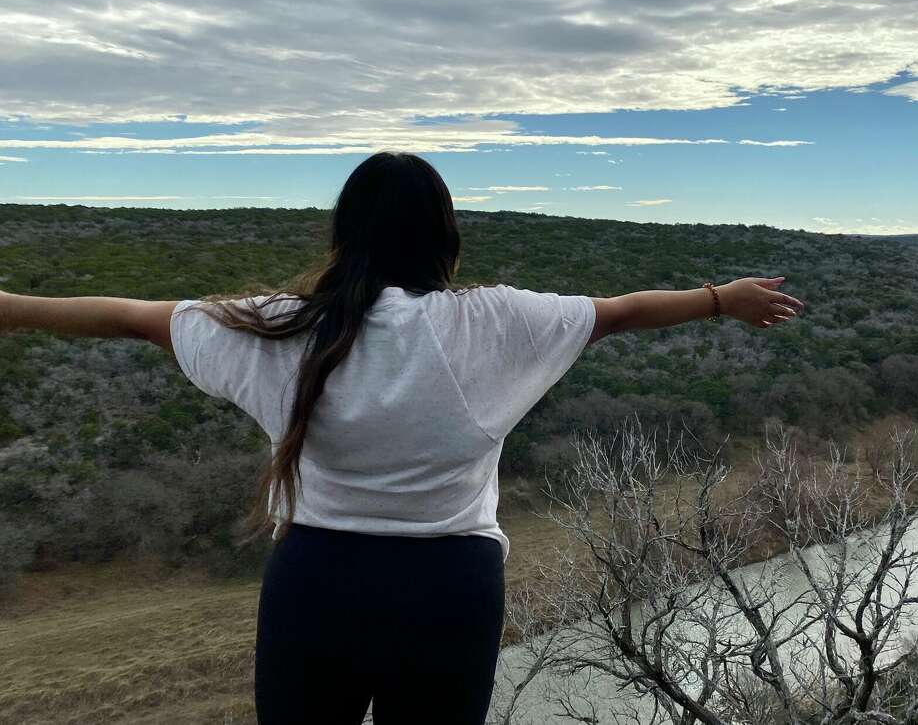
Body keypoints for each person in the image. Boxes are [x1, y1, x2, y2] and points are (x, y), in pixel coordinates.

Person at [0, 151, 806, 724]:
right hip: (450, 585)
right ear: (444, 235)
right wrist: (718, 298)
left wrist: (8, 305)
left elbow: (127, 318)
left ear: (343, 235)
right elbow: (622, 309)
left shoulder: (277, 329)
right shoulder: (495, 321)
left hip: (315, 580)